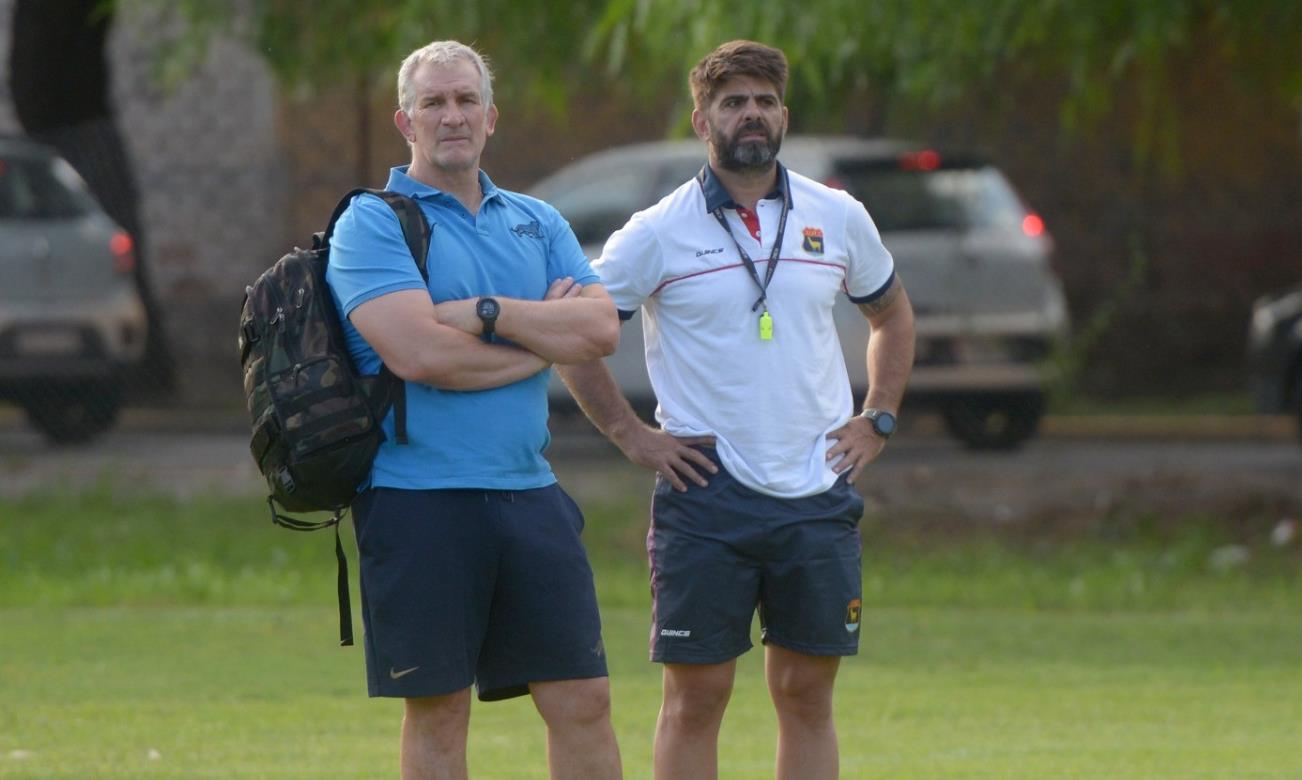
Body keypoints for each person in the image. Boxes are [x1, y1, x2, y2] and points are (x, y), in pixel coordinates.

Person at [557, 39, 915, 780]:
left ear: (782, 115)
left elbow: (893, 314)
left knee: (807, 694)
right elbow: (576, 339)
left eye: (762, 101)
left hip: (817, 490)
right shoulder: (655, 231)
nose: (749, 114)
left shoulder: (837, 214)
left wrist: (878, 416)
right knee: (696, 699)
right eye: (732, 103)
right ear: (702, 119)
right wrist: (631, 434)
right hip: (705, 493)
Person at [325, 40, 623, 780]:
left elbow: (601, 329)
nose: (451, 115)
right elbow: (423, 357)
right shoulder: (371, 224)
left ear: (491, 118)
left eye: (465, 101)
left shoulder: (538, 220)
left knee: (583, 698)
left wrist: (485, 311)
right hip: (416, 499)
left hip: (530, 492)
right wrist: (541, 338)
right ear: (406, 120)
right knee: (439, 711)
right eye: (434, 102)